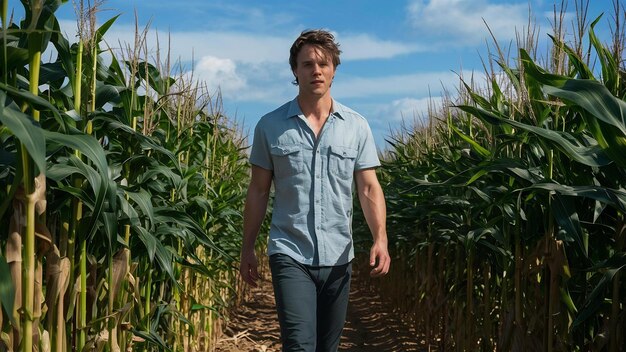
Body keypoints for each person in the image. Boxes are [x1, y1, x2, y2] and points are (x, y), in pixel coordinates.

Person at [239, 29, 390, 352]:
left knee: (327, 347)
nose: (316, 70)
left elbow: (368, 188)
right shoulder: (270, 125)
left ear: (335, 68)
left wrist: (380, 238)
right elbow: (258, 191)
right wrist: (247, 247)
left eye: (323, 63)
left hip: (338, 255)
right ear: (295, 71)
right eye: (307, 64)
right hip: (289, 251)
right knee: (299, 345)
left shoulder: (357, 126)